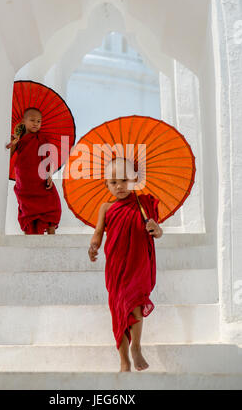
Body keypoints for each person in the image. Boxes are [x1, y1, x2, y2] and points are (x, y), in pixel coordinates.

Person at [88, 157, 163, 372]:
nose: (119, 186)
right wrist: (93, 246)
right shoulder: (105, 208)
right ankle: (124, 359)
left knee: (135, 303)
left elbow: (158, 232)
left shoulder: (144, 204)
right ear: (106, 184)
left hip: (138, 264)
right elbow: (98, 233)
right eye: (113, 182)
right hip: (117, 266)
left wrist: (155, 229)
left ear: (135, 179)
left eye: (124, 180)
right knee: (119, 309)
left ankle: (136, 347)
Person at [6, 107, 61, 235]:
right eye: (32, 120)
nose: (36, 124)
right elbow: (8, 157)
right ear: (24, 121)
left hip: (41, 179)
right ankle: (29, 237)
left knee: (52, 203)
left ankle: (52, 235)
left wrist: (49, 176)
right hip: (25, 180)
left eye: (39, 121)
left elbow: (49, 159)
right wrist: (13, 144)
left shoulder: (42, 138)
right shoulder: (18, 139)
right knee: (27, 208)